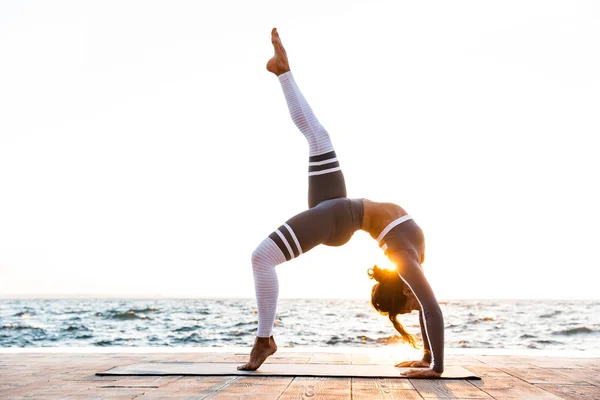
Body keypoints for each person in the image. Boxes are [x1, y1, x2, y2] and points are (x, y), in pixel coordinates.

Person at [238, 28, 444, 379]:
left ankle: (264, 340)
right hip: (339, 207)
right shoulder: (407, 260)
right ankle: (282, 71)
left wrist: (431, 359)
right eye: (408, 309)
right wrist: (432, 363)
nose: (414, 308)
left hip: (339, 218)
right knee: (319, 136)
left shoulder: (402, 257)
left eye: (405, 309)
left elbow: (426, 307)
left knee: (261, 257)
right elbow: (431, 309)